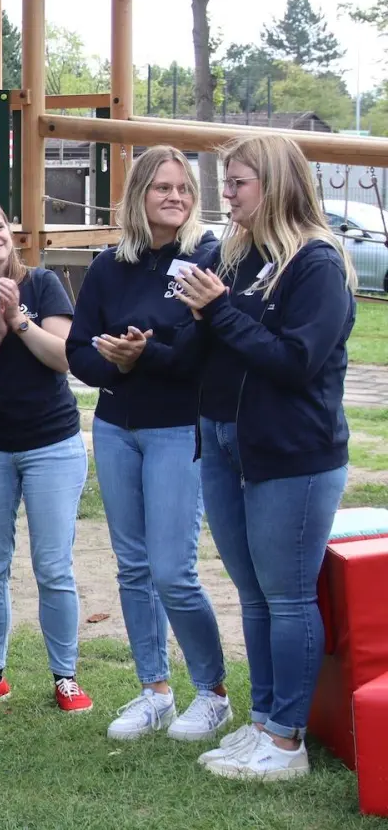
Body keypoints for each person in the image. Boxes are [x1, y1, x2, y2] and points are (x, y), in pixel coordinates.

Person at [176, 135, 355, 781]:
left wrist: (218, 311)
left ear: (275, 184)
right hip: (225, 441)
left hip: (291, 453)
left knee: (285, 598)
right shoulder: (239, 256)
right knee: (253, 597)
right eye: (227, 182)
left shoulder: (318, 264)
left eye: (238, 182)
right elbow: (217, 350)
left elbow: (295, 362)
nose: (226, 194)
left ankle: (287, 742)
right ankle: (261, 725)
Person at [67, 146, 230, 743]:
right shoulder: (111, 263)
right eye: (162, 187)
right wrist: (118, 364)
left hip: (176, 429)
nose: (175, 197)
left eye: (183, 188)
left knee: (172, 570)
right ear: (138, 194)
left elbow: (201, 353)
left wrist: (145, 355)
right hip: (115, 428)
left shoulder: (208, 258)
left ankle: (212, 693)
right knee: (133, 567)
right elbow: (78, 349)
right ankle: (154, 690)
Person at [0, 195, 92, 714]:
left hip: (51, 443)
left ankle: (67, 676)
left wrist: (21, 320)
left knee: (53, 565)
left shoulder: (42, 283)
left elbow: (64, 359)